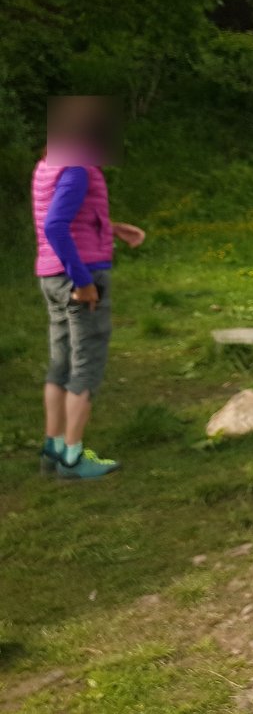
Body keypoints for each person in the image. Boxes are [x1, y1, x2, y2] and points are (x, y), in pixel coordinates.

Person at [34, 96, 145, 479]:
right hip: (77, 278)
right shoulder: (79, 168)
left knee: (60, 365)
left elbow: (64, 217)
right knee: (86, 367)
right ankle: (73, 458)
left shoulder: (48, 164)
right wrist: (84, 283)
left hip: (50, 275)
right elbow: (55, 226)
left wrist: (112, 228)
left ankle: (52, 447)